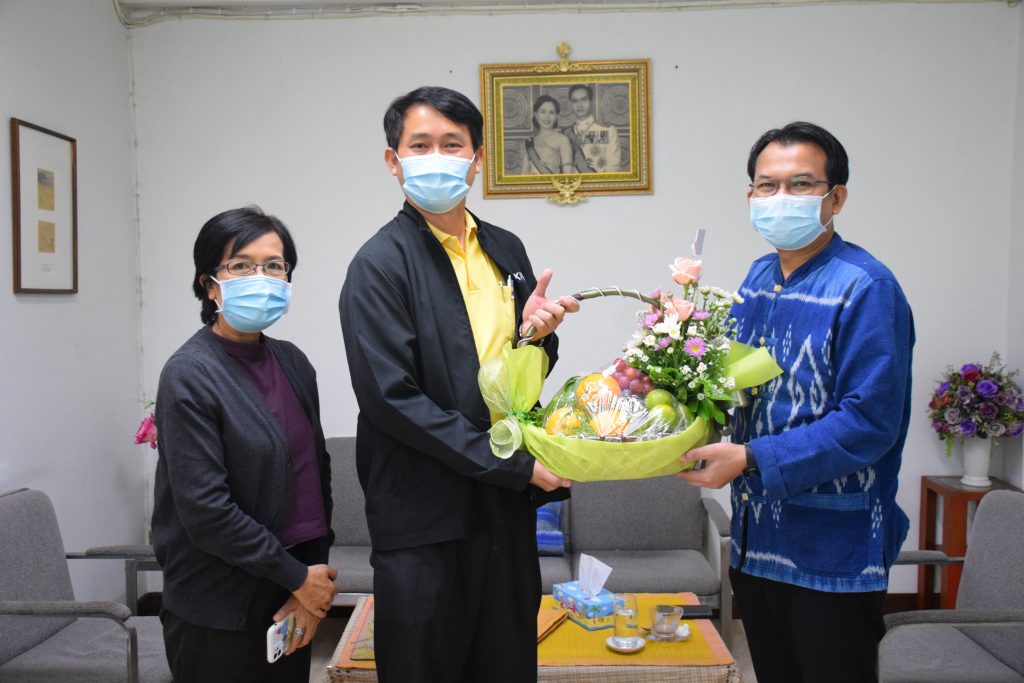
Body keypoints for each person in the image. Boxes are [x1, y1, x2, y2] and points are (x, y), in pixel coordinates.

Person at [339, 86, 579, 683]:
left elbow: (516, 376)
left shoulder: (505, 249)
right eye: (420, 145)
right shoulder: (378, 265)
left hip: (501, 509)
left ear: (477, 160)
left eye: (453, 145)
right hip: (424, 514)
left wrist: (538, 336)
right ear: (393, 160)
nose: (437, 158)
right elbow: (392, 400)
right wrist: (514, 466)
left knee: (506, 662)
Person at [676, 122, 915, 683]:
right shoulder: (760, 277)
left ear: (837, 197)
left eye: (801, 184)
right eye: (767, 185)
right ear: (750, 195)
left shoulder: (866, 287)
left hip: (834, 552)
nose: (780, 198)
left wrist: (750, 457)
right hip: (758, 541)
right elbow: (735, 382)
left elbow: (869, 421)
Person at [152, 207, 338, 683]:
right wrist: (297, 577)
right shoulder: (189, 374)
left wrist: (313, 578)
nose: (262, 277)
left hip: (291, 593)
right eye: (241, 265)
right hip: (219, 606)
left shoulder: (293, 363)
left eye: (274, 265)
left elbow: (315, 478)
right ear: (210, 285)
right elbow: (207, 512)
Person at [561, 84, 623, 173]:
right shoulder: (566, 133)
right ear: (571, 104)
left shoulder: (607, 130)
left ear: (591, 102)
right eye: (575, 101)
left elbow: (613, 167)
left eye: (583, 100)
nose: (579, 105)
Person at [520, 95, 577, 174]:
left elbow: (568, 174)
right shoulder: (529, 143)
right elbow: (524, 174)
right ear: (536, 115)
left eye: (551, 112)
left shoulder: (562, 140)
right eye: (543, 112)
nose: (547, 116)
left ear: (556, 116)